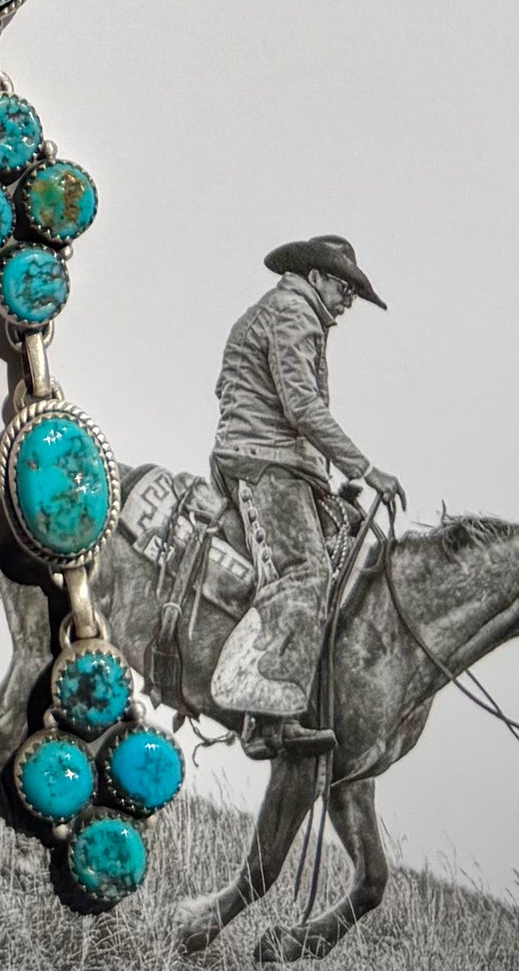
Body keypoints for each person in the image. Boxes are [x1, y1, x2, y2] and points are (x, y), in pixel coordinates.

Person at [207, 232, 406, 758]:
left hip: (278, 460)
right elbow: (302, 406)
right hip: (264, 462)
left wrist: (322, 475)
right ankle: (264, 717)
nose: (348, 303)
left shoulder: (287, 312)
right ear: (316, 277)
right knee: (306, 571)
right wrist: (365, 468)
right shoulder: (296, 313)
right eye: (345, 289)